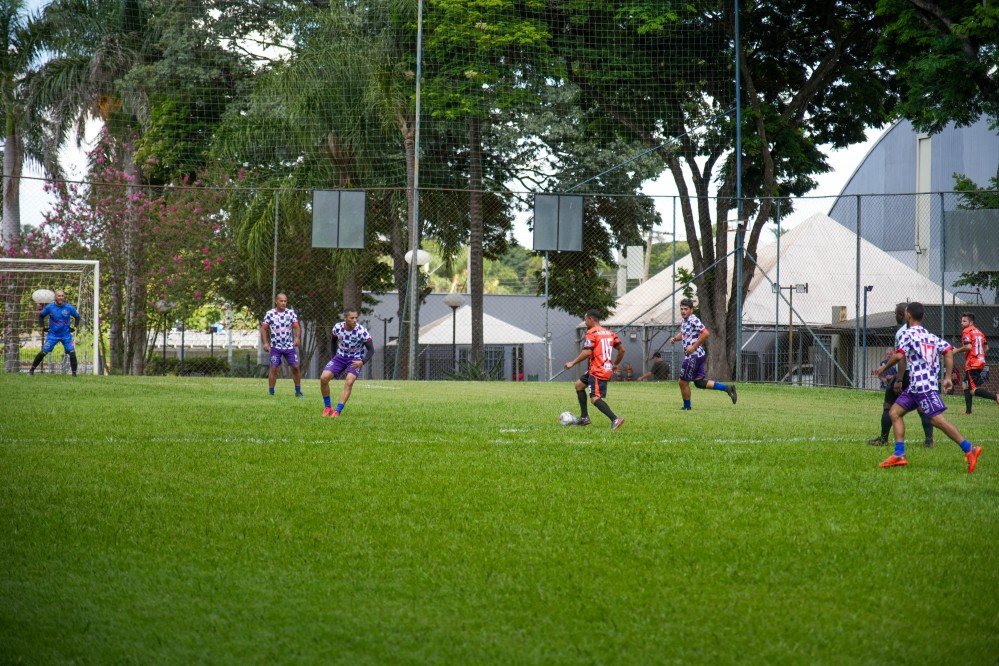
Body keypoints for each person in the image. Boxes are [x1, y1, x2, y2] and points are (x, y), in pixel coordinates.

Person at [875, 302, 982, 472]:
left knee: (936, 420)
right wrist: (947, 377)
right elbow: (948, 350)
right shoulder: (929, 335)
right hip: (917, 386)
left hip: (922, 386)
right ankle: (899, 454)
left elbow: (898, 356)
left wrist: (883, 368)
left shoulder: (907, 333)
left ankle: (970, 449)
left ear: (908, 315)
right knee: (894, 412)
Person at [867, 303, 935, 448]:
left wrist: (898, 378)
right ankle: (929, 441)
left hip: (905, 373)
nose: (895, 316)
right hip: (921, 374)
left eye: (895, 314)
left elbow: (901, 357)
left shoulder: (902, 333)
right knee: (922, 407)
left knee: (888, 406)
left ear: (902, 314)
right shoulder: (924, 332)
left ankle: (883, 439)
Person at [667, 298, 737, 409]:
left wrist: (693, 347)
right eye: (682, 309)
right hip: (698, 356)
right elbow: (684, 333)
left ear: (691, 310)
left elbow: (705, 333)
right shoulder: (685, 320)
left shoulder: (693, 320)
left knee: (682, 382)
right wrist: (675, 339)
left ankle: (687, 407)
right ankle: (727, 388)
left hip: (693, 356)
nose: (683, 311)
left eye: (686, 309)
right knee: (699, 383)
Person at [563, 309, 625, 430]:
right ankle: (584, 418)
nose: (585, 322)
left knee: (595, 398)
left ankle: (615, 419)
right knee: (579, 385)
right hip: (602, 368)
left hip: (598, 370)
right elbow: (622, 350)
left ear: (591, 319)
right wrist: (615, 364)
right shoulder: (610, 333)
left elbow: (587, 352)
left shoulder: (591, 332)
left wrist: (572, 362)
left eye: (585, 319)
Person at [320, 307, 374, 418]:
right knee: (323, 378)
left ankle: (337, 411)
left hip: (355, 360)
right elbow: (333, 342)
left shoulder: (362, 331)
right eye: (351, 318)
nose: (354, 320)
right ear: (345, 318)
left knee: (349, 382)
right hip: (340, 357)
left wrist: (362, 361)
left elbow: (371, 350)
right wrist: (333, 357)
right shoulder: (337, 328)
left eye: (356, 318)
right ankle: (328, 408)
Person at [261, 293, 303, 397]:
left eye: (285, 301)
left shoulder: (290, 313)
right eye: (281, 301)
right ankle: (271, 393)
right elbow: (264, 329)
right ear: (276, 301)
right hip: (275, 347)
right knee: (274, 368)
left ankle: (298, 392)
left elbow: (296, 326)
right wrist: (265, 343)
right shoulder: (270, 314)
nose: (283, 303)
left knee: (295, 367)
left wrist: (297, 338)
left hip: (289, 346)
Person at [30, 290, 80, 376]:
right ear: (55, 297)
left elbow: (77, 317)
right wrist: (43, 327)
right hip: (53, 335)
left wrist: (74, 327)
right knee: (43, 352)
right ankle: (31, 370)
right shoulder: (50, 307)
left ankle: (74, 375)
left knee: (72, 353)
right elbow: (41, 316)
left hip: (66, 335)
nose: (61, 297)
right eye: (59, 296)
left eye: (62, 296)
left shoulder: (69, 307)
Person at [957, 312, 996, 413]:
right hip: (980, 362)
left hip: (972, 364)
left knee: (973, 390)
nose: (962, 323)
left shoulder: (966, 331)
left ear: (971, 322)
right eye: (961, 321)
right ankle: (968, 411)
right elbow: (986, 348)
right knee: (965, 384)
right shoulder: (979, 332)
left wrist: (956, 350)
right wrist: (979, 356)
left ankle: (996, 397)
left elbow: (968, 346)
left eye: (964, 321)